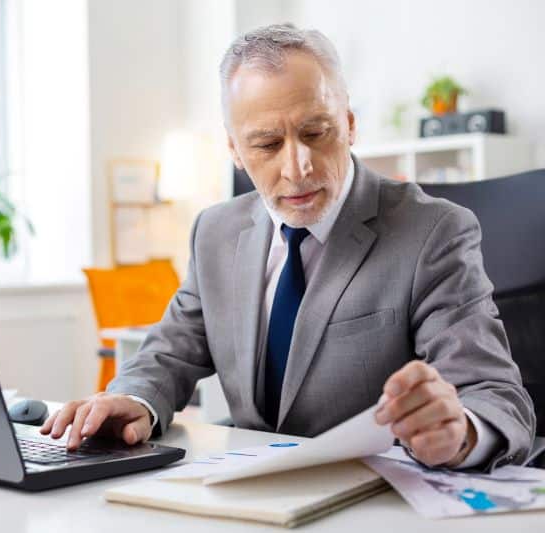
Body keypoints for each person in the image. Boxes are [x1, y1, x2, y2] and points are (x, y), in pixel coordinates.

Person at [41, 24, 535, 471]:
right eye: (266, 144)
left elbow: (495, 395)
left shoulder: (434, 231)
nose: (297, 167)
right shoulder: (214, 232)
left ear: (349, 123)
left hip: (372, 497)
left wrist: (460, 433)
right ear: (234, 150)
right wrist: (134, 399)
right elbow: (170, 352)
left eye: (315, 133)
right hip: (247, 495)